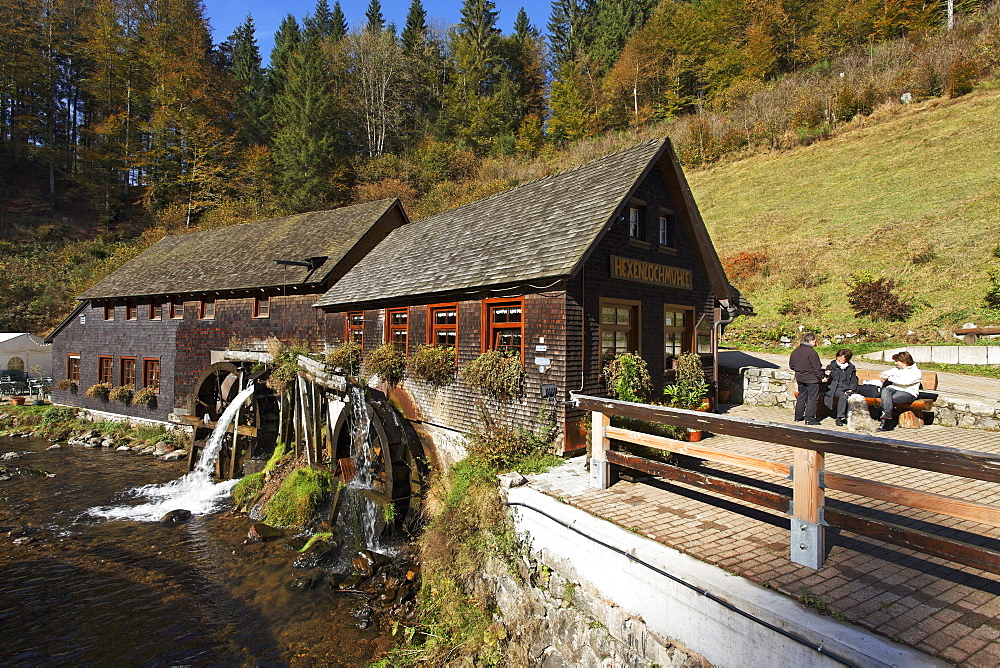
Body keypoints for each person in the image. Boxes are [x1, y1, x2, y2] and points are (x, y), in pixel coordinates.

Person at [877, 351, 922, 431]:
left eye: (897, 361)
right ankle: (887, 416)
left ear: (904, 361)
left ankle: (886, 422)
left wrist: (889, 378)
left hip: (908, 392)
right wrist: (883, 375)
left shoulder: (916, 372)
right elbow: (883, 373)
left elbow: (905, 382)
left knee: (887, 401)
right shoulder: (897, 369)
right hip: (894, 389)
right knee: (886, 390)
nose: (896, 363)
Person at [789, 332, 824, 425]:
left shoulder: (795, 351)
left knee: (801, 397)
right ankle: (809, 419)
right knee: (812, 398)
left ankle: (798, 416)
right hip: (811, 379)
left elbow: (791, 366)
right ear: (811, 340)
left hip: (800, 378)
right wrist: (822, 377)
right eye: (815, 341)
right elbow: (817, 368)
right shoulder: (812, 352)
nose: (816, 343)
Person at [823, 349, 859, 427]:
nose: (840, 359)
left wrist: (851, 388)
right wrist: (827, 376)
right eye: (839, 357)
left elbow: (854, 380)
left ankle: (851, 417)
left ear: (847, 359)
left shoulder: (851, 367)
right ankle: (840, 417)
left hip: (847, 388)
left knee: (855, 397)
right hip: (836, 388)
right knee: (843, 396)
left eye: (842, 358)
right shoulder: (831, 366)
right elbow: (828, 379)